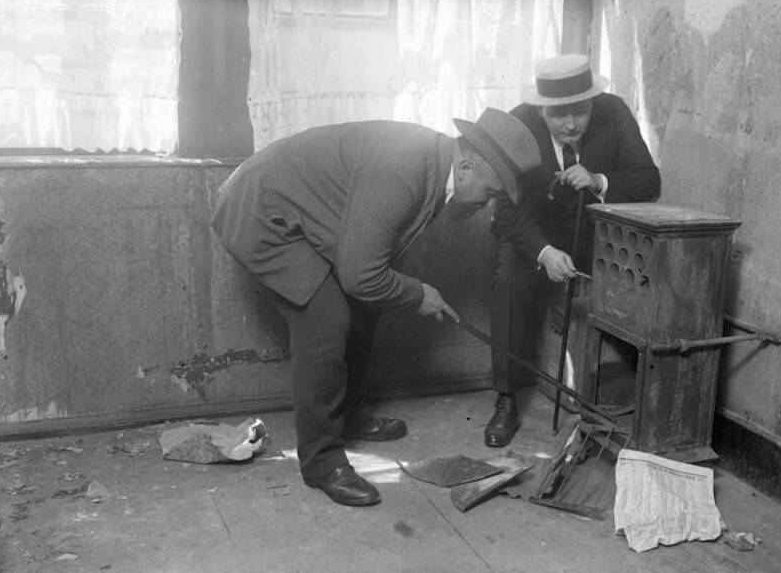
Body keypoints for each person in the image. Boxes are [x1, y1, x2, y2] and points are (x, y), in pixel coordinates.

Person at [211, 109, 541, 506]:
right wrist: (418, 293)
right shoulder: (402, 171)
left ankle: (346, 416)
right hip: (260, 211)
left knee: (367, 308)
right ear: (467, 166)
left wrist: (403, 288)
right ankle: (321, 462)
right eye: (490, 194)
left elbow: (372, 264)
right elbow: (361, 276)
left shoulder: (438, 164)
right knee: (326, 320)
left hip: (296, 211)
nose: (488, 205)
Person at [484, 53, 661, 447]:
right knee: (509, 281)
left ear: (592, 103)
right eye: (558, 115)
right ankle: (506, 397)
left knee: (638, 283)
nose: (569, 124)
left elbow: (648, 180)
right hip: (533, 236)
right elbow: (507, 210)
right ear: (541, 109)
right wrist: (543, 252)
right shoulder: (518, 124)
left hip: (595, 235)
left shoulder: (614, 113)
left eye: (579, 112)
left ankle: (635, 392)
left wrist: (600, 179)